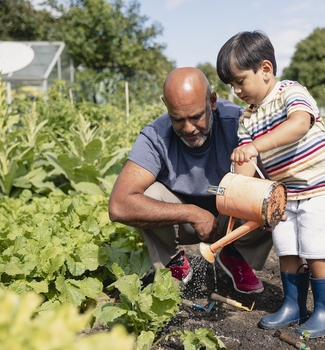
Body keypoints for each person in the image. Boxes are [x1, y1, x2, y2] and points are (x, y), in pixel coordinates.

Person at [216, 31, 325, 337]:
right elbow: (247, 165)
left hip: (322, 187)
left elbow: (299, 124)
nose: (236, 90)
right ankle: (294, 305)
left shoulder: (291, 92)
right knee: (287, 250)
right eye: (231, 85)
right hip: (286, 195)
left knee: (316, 250)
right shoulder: (247, 118)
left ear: (265, 70)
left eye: (239, 81)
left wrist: (256, 147)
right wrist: (235, 182)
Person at [108, 67, 273, 294]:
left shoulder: (239, 123)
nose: (188, 128)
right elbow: (118, 205)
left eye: (196, 116)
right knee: (144, 195)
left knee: (269, 192)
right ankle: (173, 261)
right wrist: (192, 213)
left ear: (212, 101)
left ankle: (234, 253)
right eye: (178, 119)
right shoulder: (156, 135)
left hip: (231, 217)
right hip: (181, 223)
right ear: (166, 105)